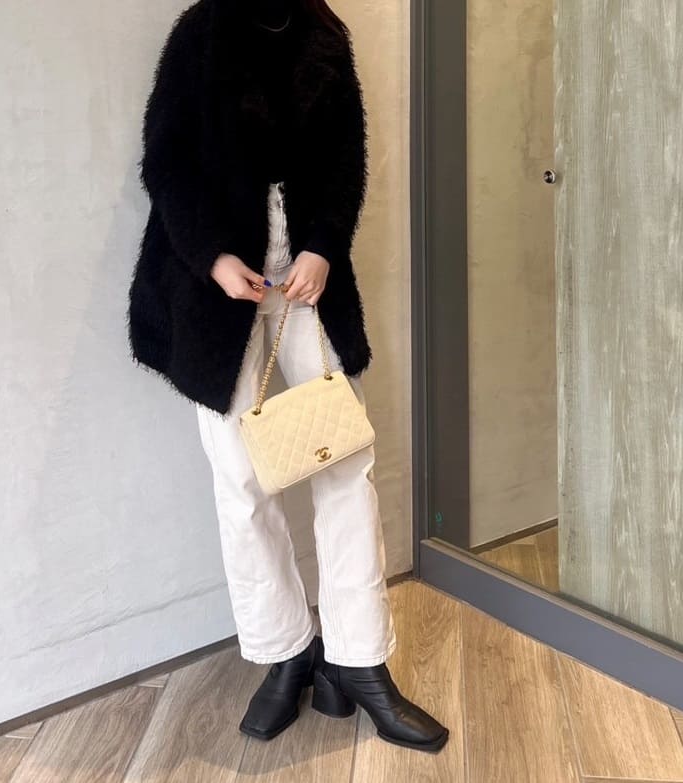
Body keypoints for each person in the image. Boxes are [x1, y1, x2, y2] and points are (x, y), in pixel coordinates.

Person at [128, 0, 449, 754]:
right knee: (241, 480)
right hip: (218, 294)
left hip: (307, 286)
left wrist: (323, 246)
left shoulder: (323, 31)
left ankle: (358, 661)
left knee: (344, 467)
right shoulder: (200, 32)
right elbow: (165, 161)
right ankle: (287, 651)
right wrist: (211, 255)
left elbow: (345, 157)